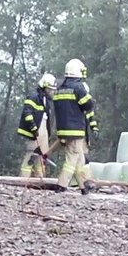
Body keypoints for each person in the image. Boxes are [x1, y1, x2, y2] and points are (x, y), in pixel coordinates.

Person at [51, 58, 100, 194]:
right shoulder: (79, 88)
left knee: (79, 158)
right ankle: (61, 185)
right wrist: (90, 99)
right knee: (72, 157)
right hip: (76, 130)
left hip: (62, 129)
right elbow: (88, 106)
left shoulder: (60, 88)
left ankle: (84, 186)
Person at [17, 73, 57, 178]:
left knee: (40, 157)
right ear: (44, 87)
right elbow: (27, 112)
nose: (52, 92)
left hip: (42, 132)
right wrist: (33, 127)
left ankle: (40, 180)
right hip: (34, 132)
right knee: (31, 155)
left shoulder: (45, 101)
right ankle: (23, 178)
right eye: (50, 89)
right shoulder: (33, 96)